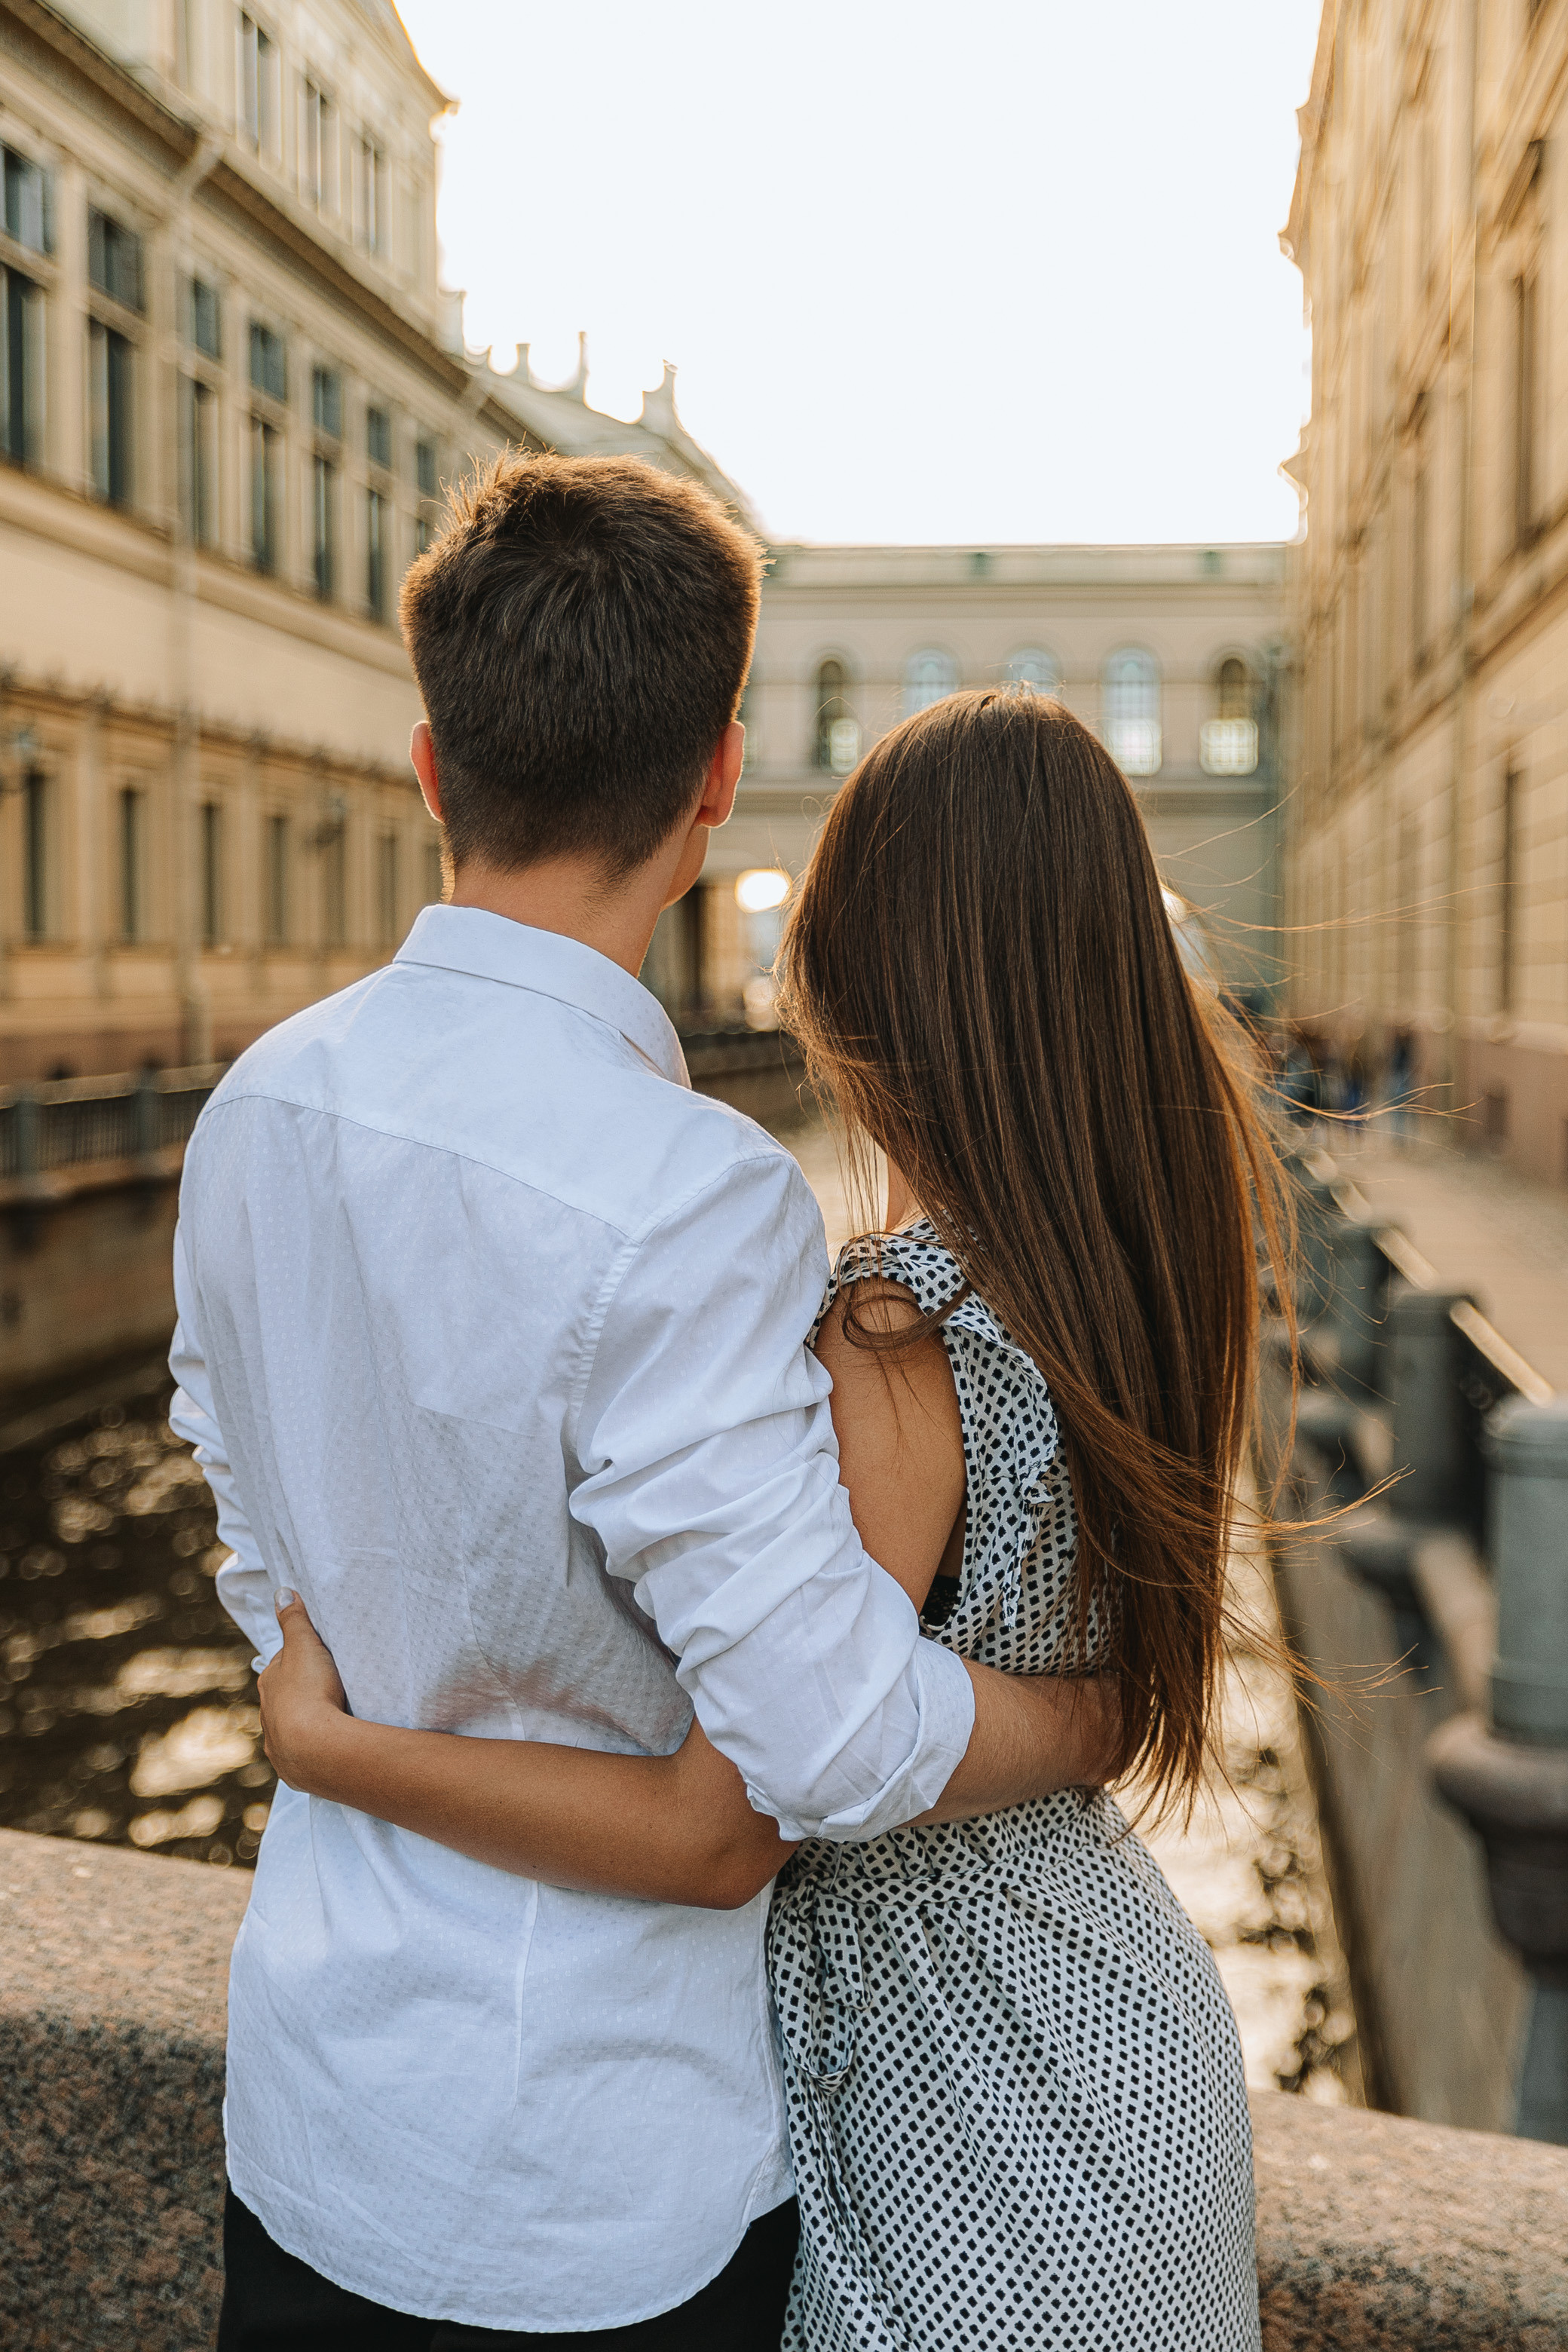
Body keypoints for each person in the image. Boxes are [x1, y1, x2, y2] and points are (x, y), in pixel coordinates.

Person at [170, 454, 1119, 2351]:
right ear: (711, 786)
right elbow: (824, 1752)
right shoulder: (690, 1193)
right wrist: (1086, 1717)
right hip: (595, 2188)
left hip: (309, 2113)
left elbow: (275, 1591)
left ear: (430, 768)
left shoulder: (256, 1105)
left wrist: (350, 1738)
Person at [259, 688, 1279, 2350]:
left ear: (864, 981)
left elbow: (725, 1816)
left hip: (955, 2089)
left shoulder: (896, 1331)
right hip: (1115, 2017)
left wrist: (331, 1743)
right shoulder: (1139, 1274)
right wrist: (1090, 1721)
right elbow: (1077, 1680)